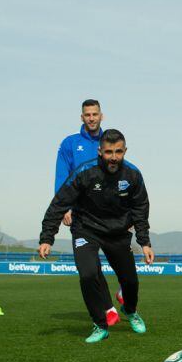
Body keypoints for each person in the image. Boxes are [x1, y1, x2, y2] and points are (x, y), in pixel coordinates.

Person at [39, 129, 153, 344]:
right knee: (88, 274)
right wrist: (47, 237)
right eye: (109, 151)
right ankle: (99, 325)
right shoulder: (85, 172)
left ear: (125, 151)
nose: (113, 157)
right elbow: (60, 203)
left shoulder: (133, 174)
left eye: (118, 151)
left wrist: (144, 242)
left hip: (118, 232)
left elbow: (140, 208)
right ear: (100, 151)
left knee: (130, 281)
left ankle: (129, 310)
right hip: (86, 229)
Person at [55, 98, 120, 305]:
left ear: (102, 116)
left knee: (121, 257)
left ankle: (124, 290)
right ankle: (107, 307)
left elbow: (121, 174)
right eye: (87, 114)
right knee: (90, 266)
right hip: (81, 213)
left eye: (95, 114)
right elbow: (61, 175)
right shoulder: (70, 143)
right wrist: (63, 207)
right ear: (82, 117)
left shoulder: (110, 141)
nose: (91, 118)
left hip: (109, 210)